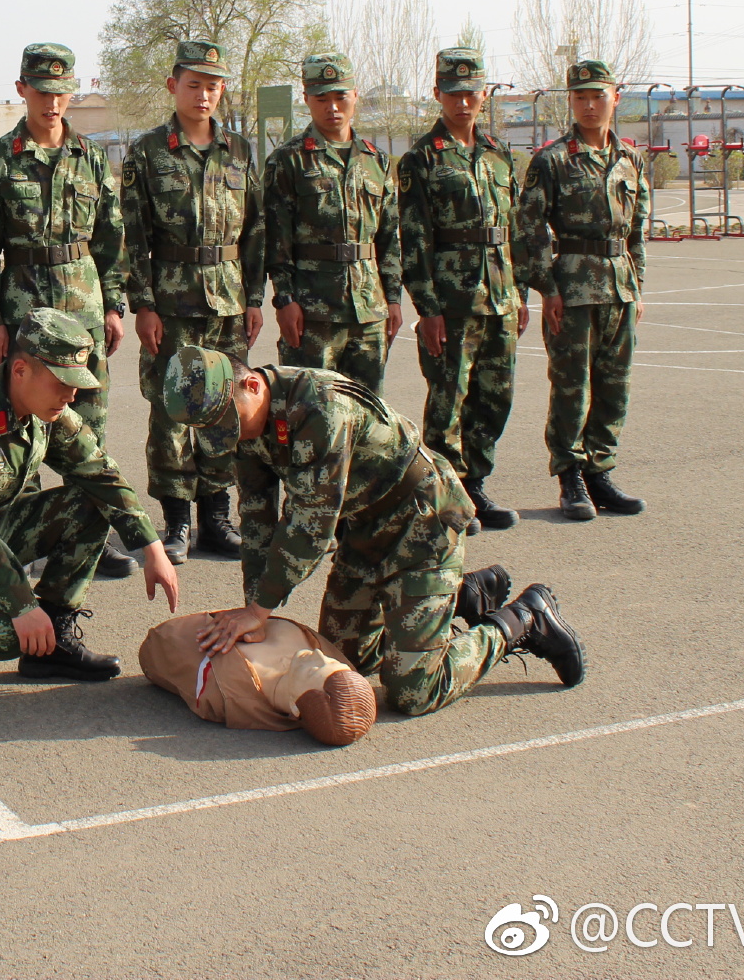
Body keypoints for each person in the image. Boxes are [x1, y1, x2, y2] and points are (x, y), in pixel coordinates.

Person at [159, 345, 586, 717]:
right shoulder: (244, 422)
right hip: (364, 531)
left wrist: (258, 611)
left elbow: (311, 523)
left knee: (413, 690)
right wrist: (255, 606)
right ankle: (462, 596)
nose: (228, 437)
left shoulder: (320, 408)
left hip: (423, 525)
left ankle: (525, 619)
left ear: (252, 385)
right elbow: (257, 519)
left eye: (228, 425)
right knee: (348, 662)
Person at [0, 310, 180, 696]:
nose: (72, 394)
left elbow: (100, 474)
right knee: (10, 635)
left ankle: (52, 645)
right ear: (20, 370)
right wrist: (22, 605)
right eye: (62, 382)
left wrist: (150, 547)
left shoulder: (45, 409)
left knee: (89, 503)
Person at [0, 42, 135, 579]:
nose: (53, 102)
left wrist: (113, 305)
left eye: (62, 92)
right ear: (22, 90)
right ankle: (27, 532)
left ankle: (93, 528)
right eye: (43, 91)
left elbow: (111, 239)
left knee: (88, 423)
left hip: (83, 306)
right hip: (24, 310)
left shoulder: (89, 156)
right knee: (20, 425)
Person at [120, 39, 264, 563]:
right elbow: (132, 235)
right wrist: (143, 303)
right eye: (194, 84)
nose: (204, 95)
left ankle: (217, 516)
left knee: (226, 407)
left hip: (227, 301)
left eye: (213, 85)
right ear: (173, 85)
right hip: (173, 300)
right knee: (172, 410)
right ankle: (176, 520)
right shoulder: (150, 151)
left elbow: (256, 231)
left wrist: (254, 296)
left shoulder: (241, 152)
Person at [396, 47, 531, 531]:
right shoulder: (421, 160)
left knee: (495, 398)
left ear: (485, 93)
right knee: (448, 401)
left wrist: (519, 295)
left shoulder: (497, 155)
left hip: (499, 297)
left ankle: (476, 486)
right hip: (452, 304)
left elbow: (511, 230)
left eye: (472, 91)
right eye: (453, 92)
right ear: (437, 95)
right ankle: (445, 493)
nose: (464, 101)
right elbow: (413, 240)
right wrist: (427, 309)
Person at [517, 58, 650, 520]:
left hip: (619, 285)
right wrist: (546, 288)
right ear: (571, 102)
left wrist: (638, 286)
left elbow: (638, 232)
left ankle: (601, 470)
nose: (590, 106)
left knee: (615, 385)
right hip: (571, 285)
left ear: (616, 97)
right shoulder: (552, 160)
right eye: (580, 98)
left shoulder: (630, 159)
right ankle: (570, 475)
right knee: (572, 385)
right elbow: (531, 228)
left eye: (598, 96)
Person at [263, 51, 404, 391]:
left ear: (355, 95)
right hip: (313, 313)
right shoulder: (288, 160)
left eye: (341, 96)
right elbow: (275, 239)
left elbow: (388, 238)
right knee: (312, 414)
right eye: (322, 98)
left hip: (369, 311)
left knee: (369, 416)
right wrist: (285, 299)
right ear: (306, 99)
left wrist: (394, 298)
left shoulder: (376, 161)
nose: (333, 107)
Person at [138, 613, 377, 746]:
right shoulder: (338, 665)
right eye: (332, 662)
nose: (318, 655)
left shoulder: (223, 692)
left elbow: (157, 648)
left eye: (314, 671)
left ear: (296, 705)